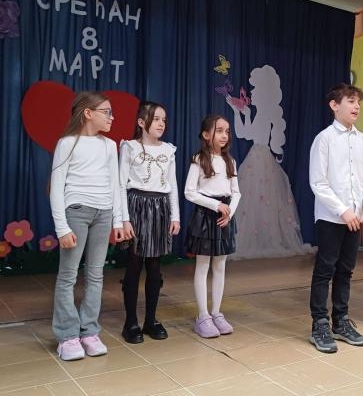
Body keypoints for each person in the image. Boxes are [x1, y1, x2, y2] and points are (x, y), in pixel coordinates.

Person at [50, 91, 124, 361]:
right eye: (107, 112)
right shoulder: (67, 143)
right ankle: (67, 335)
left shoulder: (110, 145)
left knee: (95, 275)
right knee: (68, 275)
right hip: (77, 213)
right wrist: (62, 228)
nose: (112, 117)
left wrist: (117, 220)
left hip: (103, 214)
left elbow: (115, 184)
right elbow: (56, 188)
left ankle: (89, 331)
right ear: (88, 113)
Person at [308, 83, 363, 354]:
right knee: (325, 269)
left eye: (358, 102)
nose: (356, 106)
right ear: (334, 105)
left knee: (346, 270)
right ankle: (319, 324)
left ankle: (341, 320)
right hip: (330, 217)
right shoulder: (324, 139)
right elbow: (318, 182)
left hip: (355, 217)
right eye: (350, 101)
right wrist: (342, 210)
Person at [222, 65, 310, 258]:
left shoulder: (266, 114)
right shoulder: (260, 113)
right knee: (254, 198)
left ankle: (263, 240)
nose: (252, 92)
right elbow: (244, 133)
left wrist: (242, 113)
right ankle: (257, 239)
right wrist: (239, 113)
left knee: (260, 197)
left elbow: (249, 134)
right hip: (256, 157)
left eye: (254, 89)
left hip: (260, 158)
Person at [119, 101, 180, 344]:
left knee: (155, 267)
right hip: (137, 206)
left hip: (160, 207)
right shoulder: (130, 147)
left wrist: (175, 216)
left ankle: (151, 320)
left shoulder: (168, 150)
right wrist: (124, 219)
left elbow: (172, 185)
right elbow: (121, 184)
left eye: (164, 119)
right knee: (134, 265)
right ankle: (130, 322)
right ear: (142, 122)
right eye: (156, 119)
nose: (161, 124)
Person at [185, 115, 241, 338]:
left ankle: (217, 313)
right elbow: (190, 192)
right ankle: (203, 316)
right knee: (203, 266)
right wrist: (215, 205)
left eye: (227, 131)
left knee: (220, 265)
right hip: (206, 216)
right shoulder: (199, 159)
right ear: (206, 135)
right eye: (219, 131)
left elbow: (236, 192)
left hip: (224, 217)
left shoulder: (230, 161)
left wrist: (229, 212)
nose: (224, 135)